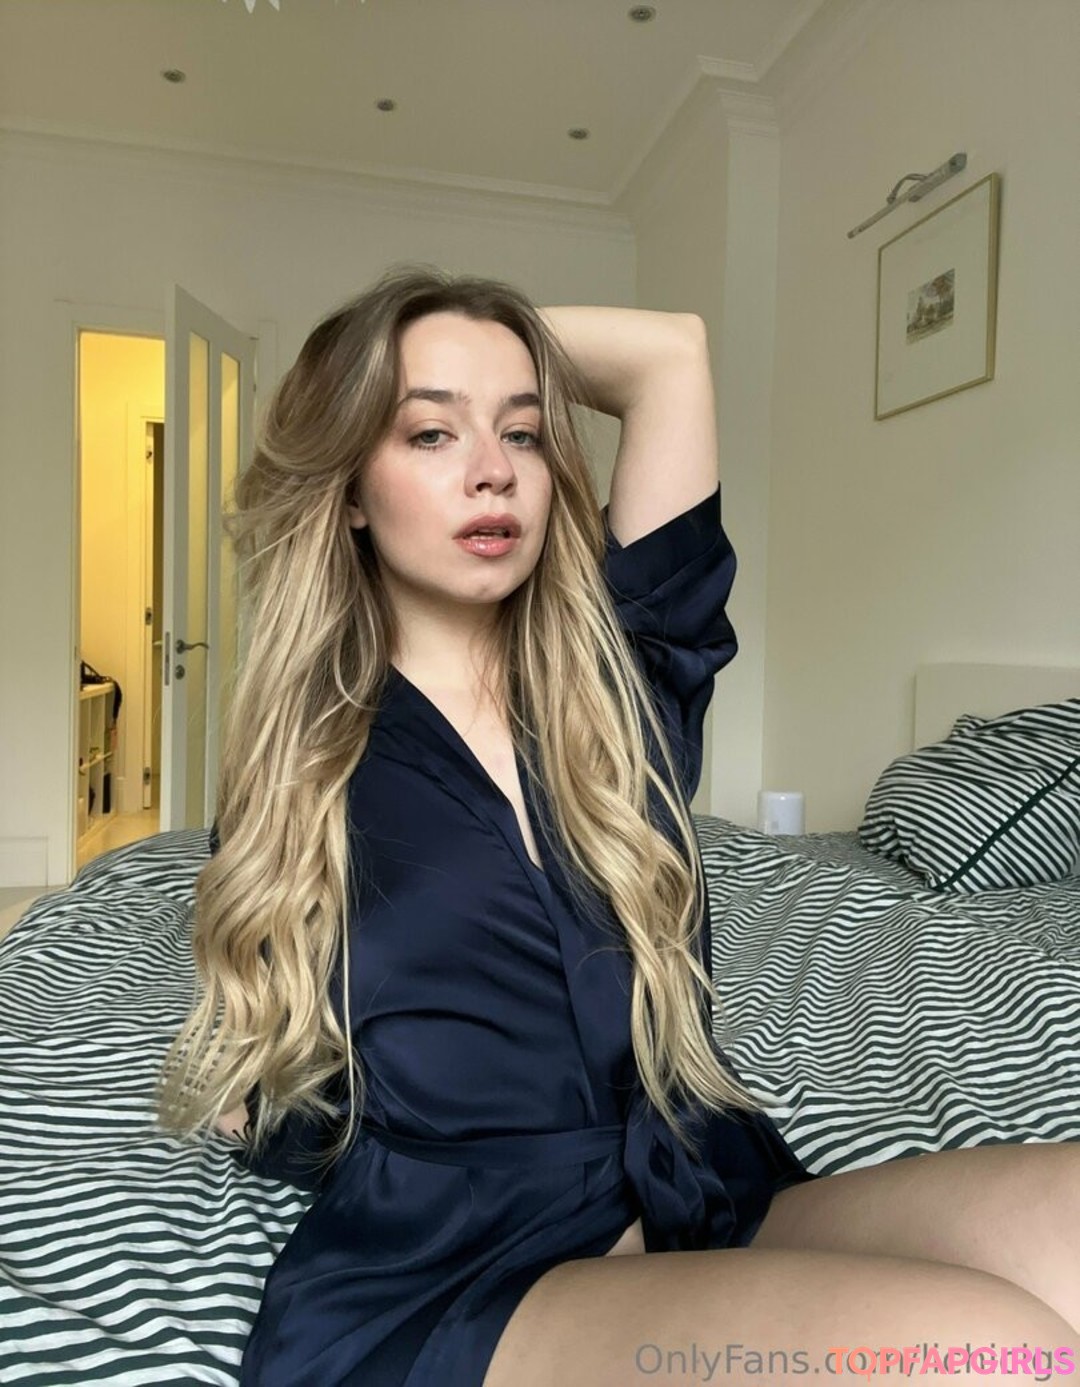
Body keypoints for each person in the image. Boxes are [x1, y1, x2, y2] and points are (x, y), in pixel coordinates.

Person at [156, 266, 1079, 1387]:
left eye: (524, 432)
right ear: (351, 488)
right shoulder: (307, 760)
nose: (493, 469)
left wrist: (486, 341)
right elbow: (293, 1030)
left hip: (700, 1184)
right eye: (430, 432)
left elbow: (671, 354)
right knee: (1001, 1355)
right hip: (464, 1263)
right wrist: (269, 1100)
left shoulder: (622, 677)